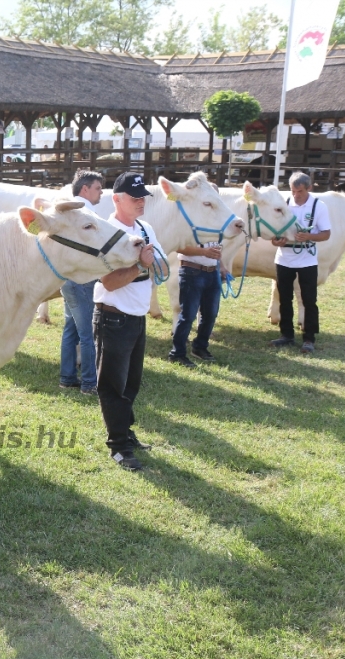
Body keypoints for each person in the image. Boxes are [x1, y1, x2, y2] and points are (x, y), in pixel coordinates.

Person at [92, 172, 158, 471]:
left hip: (135, 315)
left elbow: (159, 263)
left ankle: (125, 433)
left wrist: (146, 265)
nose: (141, 201)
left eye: (143, 195)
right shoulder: (108, 233)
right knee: (113, 385)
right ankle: (118, 445)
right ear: (116, 199)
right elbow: (108, 282)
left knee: (131, 382)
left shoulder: (145, 228)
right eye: (135, 197)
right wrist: (141, 266)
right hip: (114, 316)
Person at [270, 172, 331, 354]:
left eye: (300, 191)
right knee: (284, 298)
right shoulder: (284, 203)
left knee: (309, 299)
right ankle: (286, 335)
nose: (296, 195)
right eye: (293, 191)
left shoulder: (318, 206)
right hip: (284, 258)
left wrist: (309, 236)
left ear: (309, 188)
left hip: (307, 260)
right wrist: (276, 241)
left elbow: (326, 233)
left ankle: (309, 338)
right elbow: (274, 234)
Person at [60, 170, 105, 395]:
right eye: (98, 188)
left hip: (67, 278)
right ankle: (89, 383)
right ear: (85, 189)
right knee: (88, 333)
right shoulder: (86, 213)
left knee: (71, 329)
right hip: (83, 278)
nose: (101, 192)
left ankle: (67, 377)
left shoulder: (67, 208)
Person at [167, 223, 226, 368]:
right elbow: (179, 247)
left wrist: (222, 266)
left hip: (212, 272)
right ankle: (177, 353)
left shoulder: (215, 223)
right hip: (191, 272)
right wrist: (204, 252)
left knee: (211, 314)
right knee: (188, 315)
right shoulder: (189, 223)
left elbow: (216, 249)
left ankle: (200, 347)